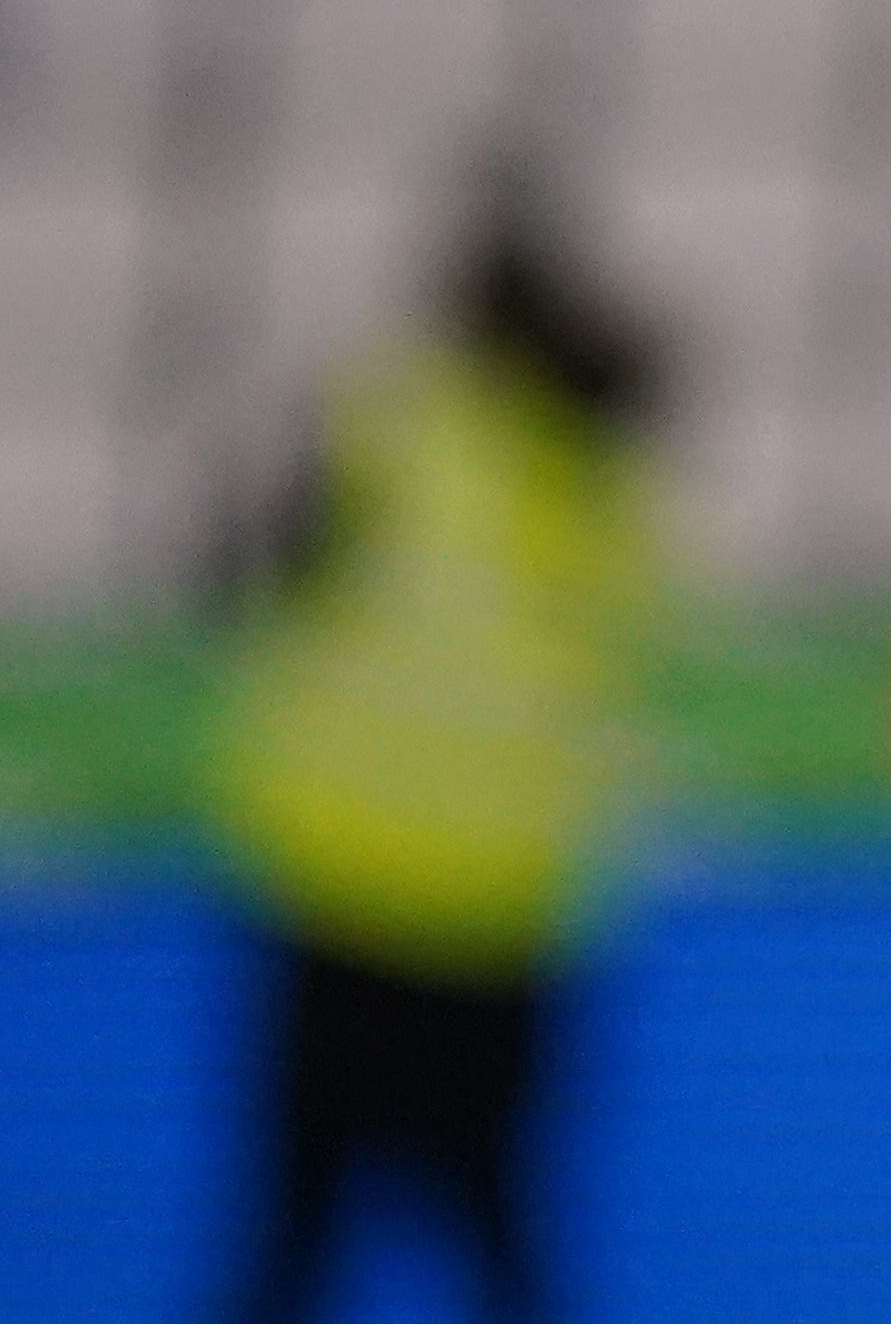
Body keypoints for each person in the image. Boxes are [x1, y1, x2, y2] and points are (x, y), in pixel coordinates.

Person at [201, 157, 668, 1324]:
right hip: (511, 918)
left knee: (291, 1245)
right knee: (504, 1245)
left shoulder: (388, 426)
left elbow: (246, 580)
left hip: (346, 897)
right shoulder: (599, 470)